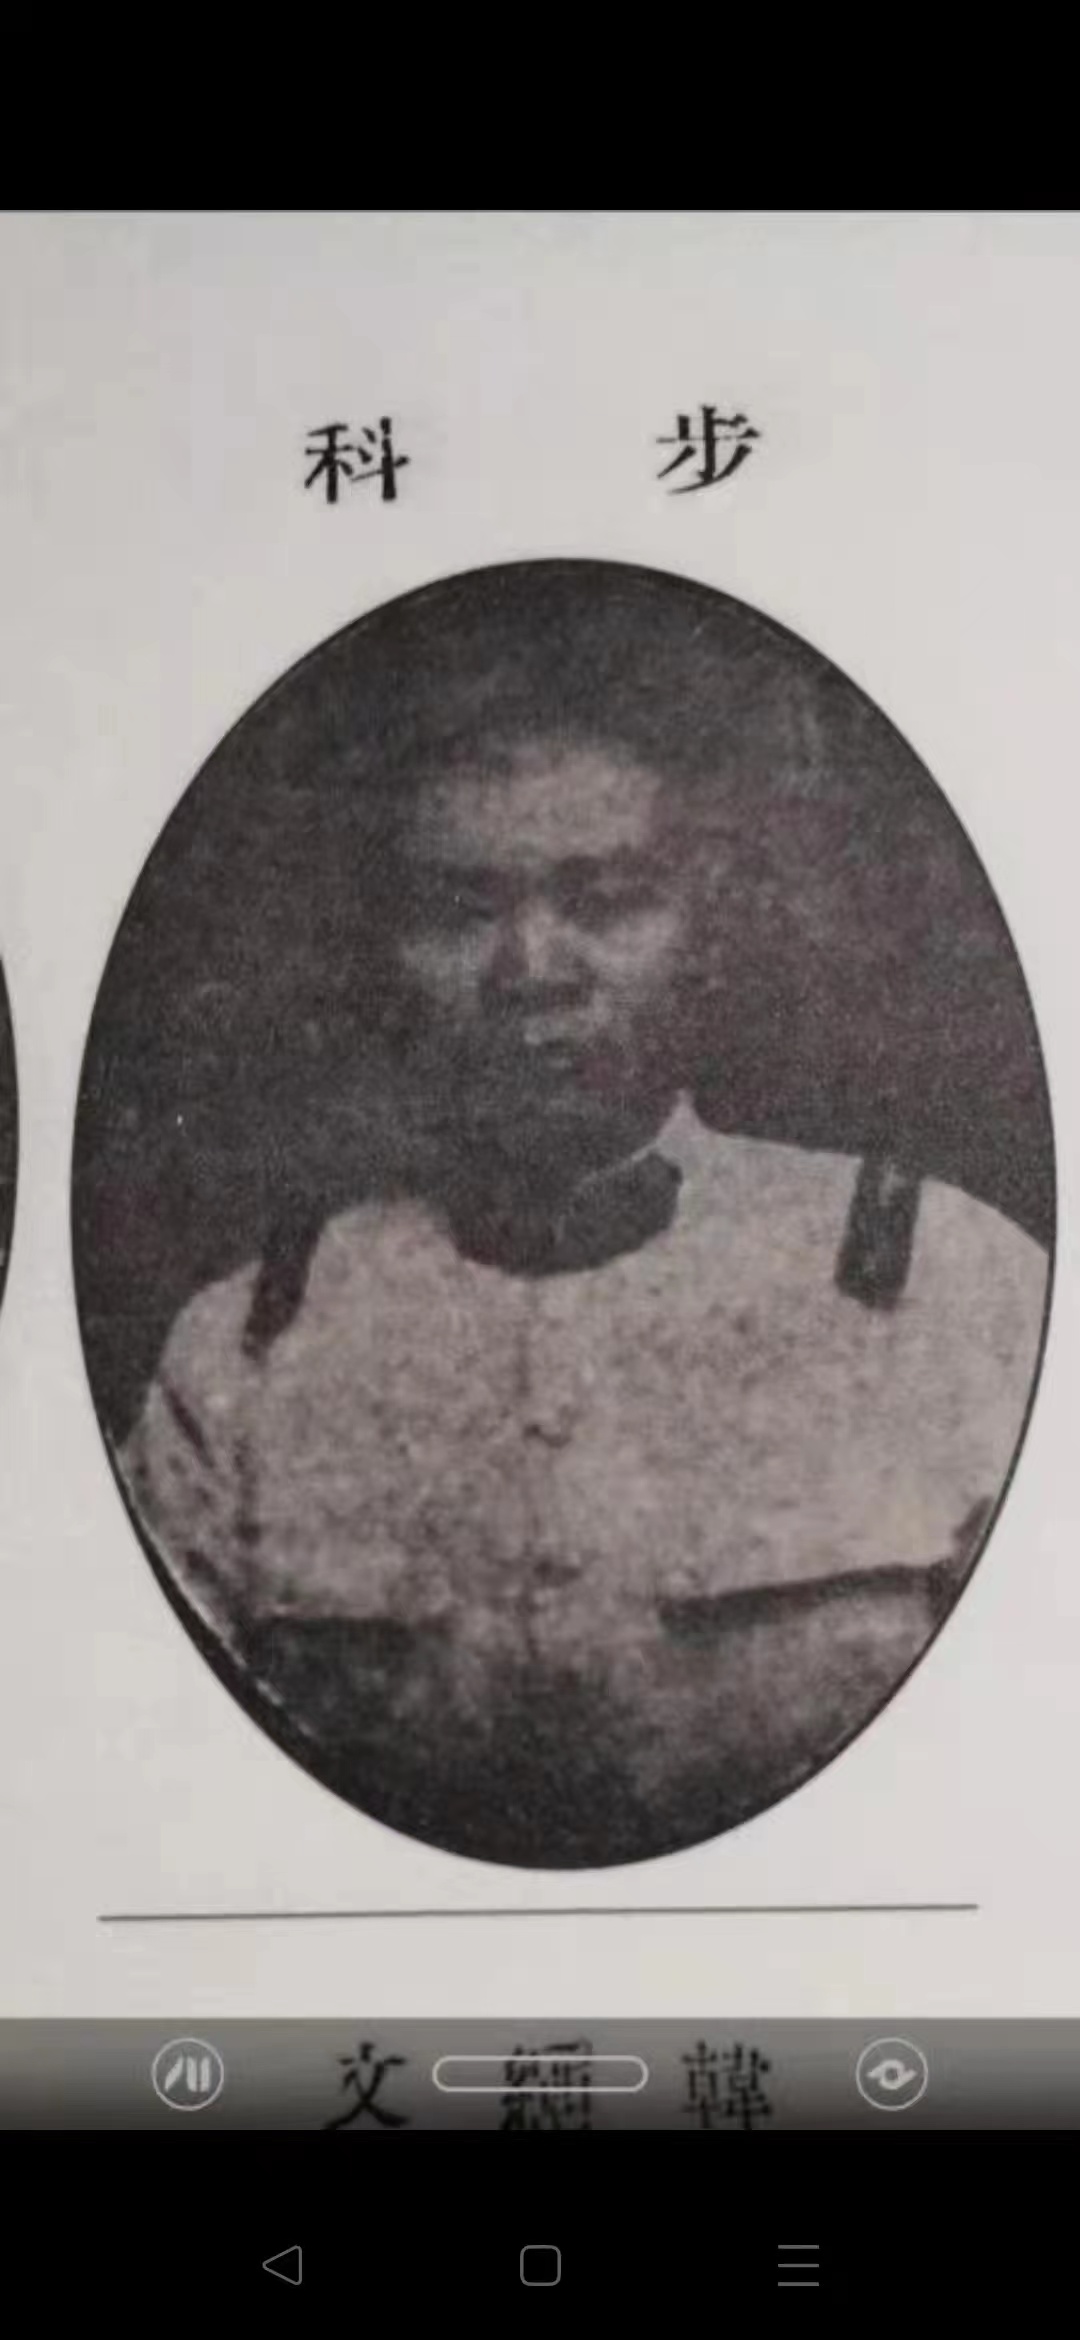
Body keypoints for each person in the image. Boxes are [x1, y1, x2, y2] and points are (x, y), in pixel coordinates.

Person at [121, 729, 1049, 1866]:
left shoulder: (947, 1282)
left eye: (606, 903)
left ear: (706, 934)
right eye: (460, 913)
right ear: (384, 959)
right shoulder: (251, 1341)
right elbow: (176, 1787)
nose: (533, 971)